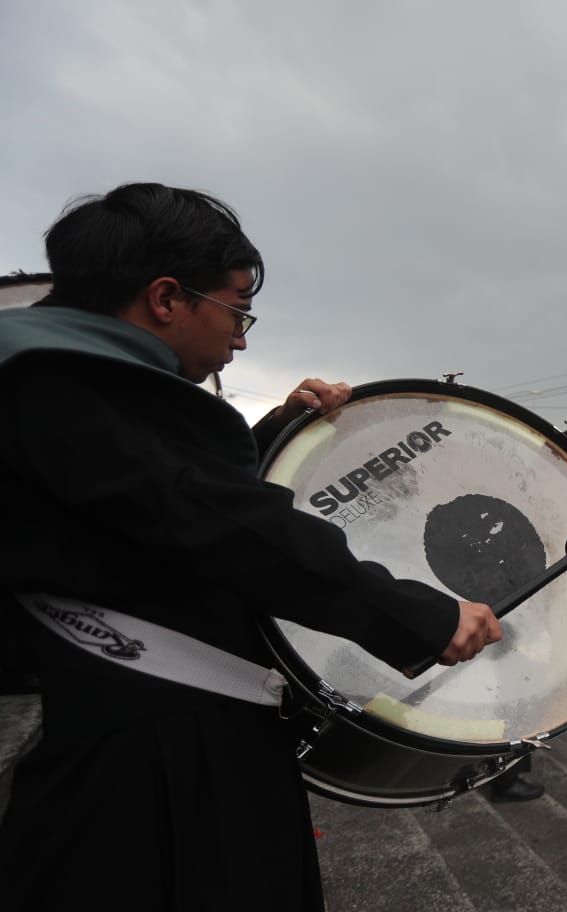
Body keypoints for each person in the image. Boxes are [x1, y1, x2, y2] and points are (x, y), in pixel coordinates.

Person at [0, 183, 503, 911]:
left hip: (151, 733)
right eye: (237, 308)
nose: (242, 336)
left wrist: (274, 431)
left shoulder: (66, 386)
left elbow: (146, 513)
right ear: (167, 298)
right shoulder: (57, 383)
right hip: (157, 762)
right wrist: (421, 615)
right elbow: (220, 522)